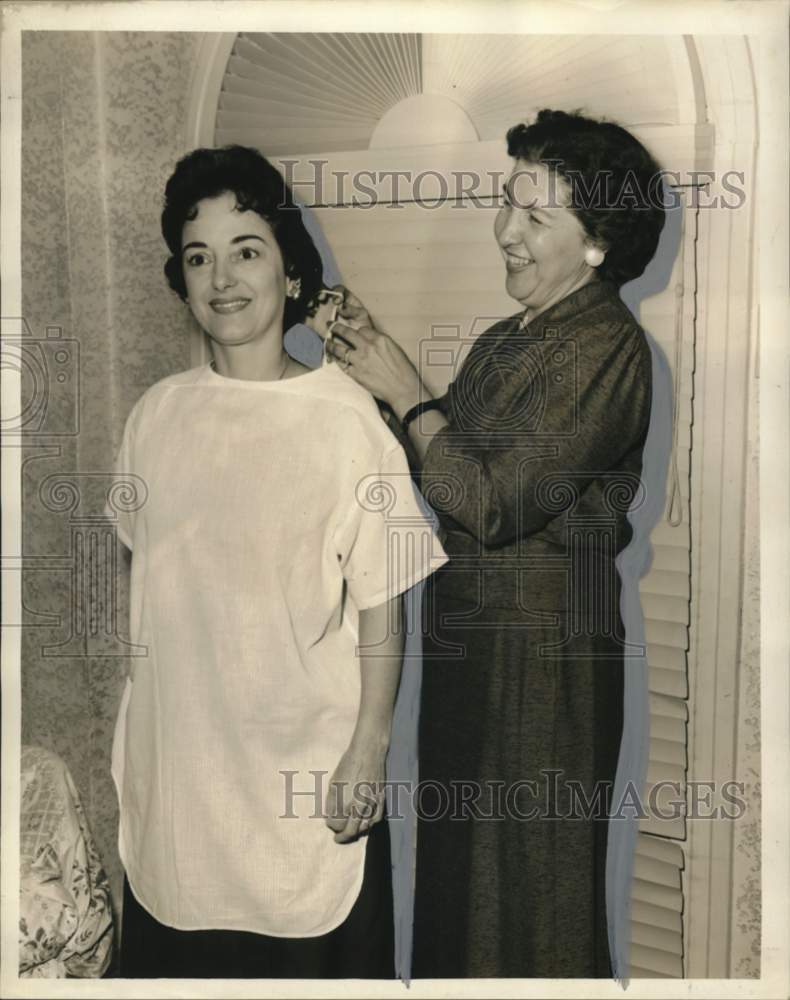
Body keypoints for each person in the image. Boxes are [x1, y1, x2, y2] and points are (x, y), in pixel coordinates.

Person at [325, 109, 667, 978]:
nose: (504, 230)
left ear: (597, 244)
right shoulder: (503, 342)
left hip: (546, 668)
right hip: (476, 659)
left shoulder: (609, 346)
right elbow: (448, 474)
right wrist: (372, 365)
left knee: (532, 909)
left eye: (535, 215)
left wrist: (405, 389)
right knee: (462, 899)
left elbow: (491, 500)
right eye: (506, 203)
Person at [108, 145, 447, 979]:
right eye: (199, 257)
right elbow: (146, 586)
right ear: (181, 280)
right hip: (183, 789)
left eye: (247, 251)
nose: (222, 278)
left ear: (291, 274)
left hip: (302, 784)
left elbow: (382, 604)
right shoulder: (156, 417)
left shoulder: (346, 420)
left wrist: (368, 748)